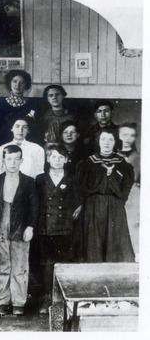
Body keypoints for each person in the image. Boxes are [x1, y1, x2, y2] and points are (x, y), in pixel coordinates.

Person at [0, 145, 38, 315]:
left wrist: (30, 226)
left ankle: (18, 303)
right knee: (2, 265)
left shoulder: (29, 182)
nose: (13, 163)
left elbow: (34, 206)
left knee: (20, 265)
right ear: (3, 160)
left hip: (20, 227)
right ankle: (2, 301)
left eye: (17, 159)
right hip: (0, 225)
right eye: (9, 159)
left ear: (22, 160)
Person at [76, 128, 135, 262]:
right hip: (93, 207)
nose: (107, 143)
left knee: (115, 241)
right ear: (98, 141)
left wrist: (120, 198)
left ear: (115, 142)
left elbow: (127, 184)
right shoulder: (89, 163)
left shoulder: (122, 163)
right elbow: (81, 186)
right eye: (103, 139)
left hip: (115, 207)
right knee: (93, 242)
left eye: (110, 139)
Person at [36, 144, 80, 314]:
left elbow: (79, 201)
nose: (57, 160)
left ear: (67, 160)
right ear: (48, 159)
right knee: (47, 263)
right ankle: (47, 297)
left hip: (65, 227)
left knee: (63, 262)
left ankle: (62, 296)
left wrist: (79, 209)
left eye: (61, 157)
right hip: (45, 228)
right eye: (54, 157)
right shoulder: (40, 179)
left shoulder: (73, 179)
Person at [0, 69, 40, 145]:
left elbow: (34, 128)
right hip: (3, 142)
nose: (17, 85)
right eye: (14, 81)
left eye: (21, 83)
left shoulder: (32, 105)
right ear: (10, 83)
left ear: (26, 85)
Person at [118, 123, 140, 261]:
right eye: (124, 134)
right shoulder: (110, 155)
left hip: (133, 198)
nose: (128, 138)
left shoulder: (139, 157)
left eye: (132, 135)